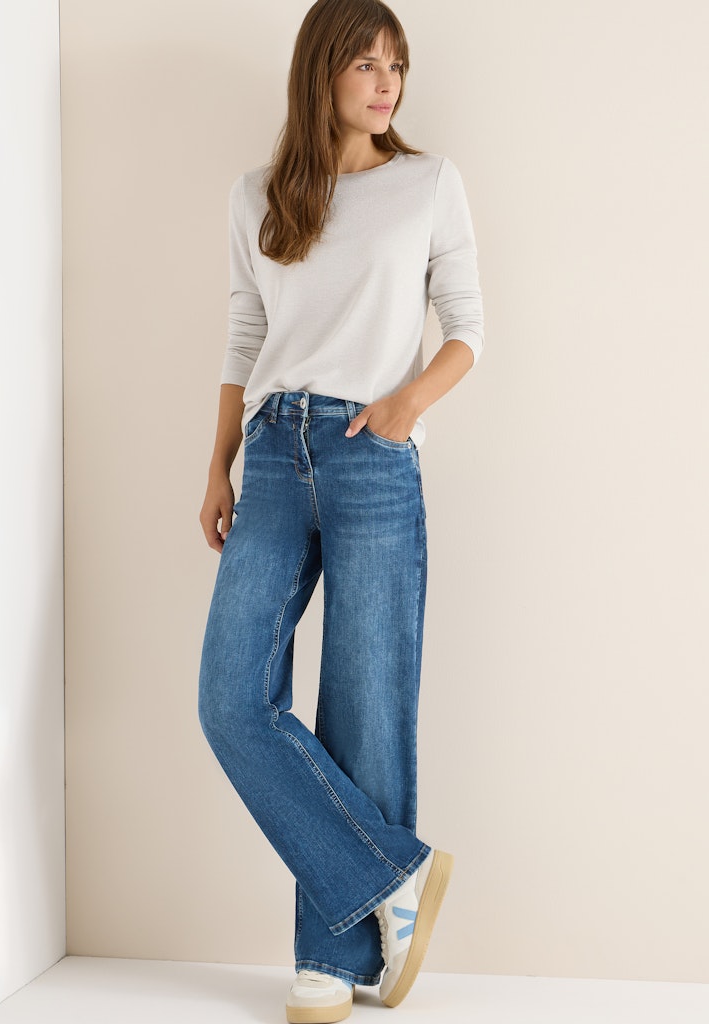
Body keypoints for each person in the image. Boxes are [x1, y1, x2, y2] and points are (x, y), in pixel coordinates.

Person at [198, 0, 484, 1020]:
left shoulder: (428, 183)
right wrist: (219, 461)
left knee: (365, 704)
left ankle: (337, 958)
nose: (385, 80)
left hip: (372, 455)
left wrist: (405, 406)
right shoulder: (258, 195)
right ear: (320, 71)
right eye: (365, 62)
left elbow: (469, 326)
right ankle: (393, 872)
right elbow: (244, 335)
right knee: (231, 700)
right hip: (274, 453)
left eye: (395, 64)